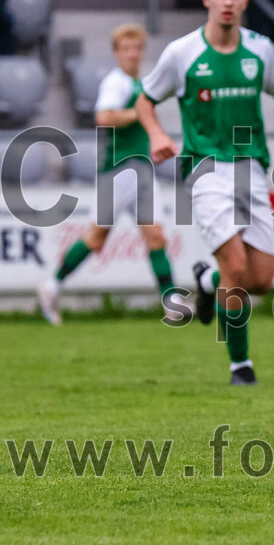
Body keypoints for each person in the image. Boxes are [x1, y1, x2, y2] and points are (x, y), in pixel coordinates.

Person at [135, 0, 274, 386]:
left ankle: (207, 281)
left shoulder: (261, 49)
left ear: (245, 1)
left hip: (250, 168)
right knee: (235, 266)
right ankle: (240, 366)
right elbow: (145, 100)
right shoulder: (182, 52)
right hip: (205, 167)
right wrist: (157, 134)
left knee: (260, 279)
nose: (228, 1)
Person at [36, 25, 186, 326]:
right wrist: (139, 113)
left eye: (137, 48)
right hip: (117, 171)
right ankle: (52, 285)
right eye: (126, 49)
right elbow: (104, 116)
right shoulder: (116, 83)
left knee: (156, 236)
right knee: (96, 238)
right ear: (116, 53)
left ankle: (172, 305)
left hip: (141, 168)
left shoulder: (139, 83)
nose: (132, 54)